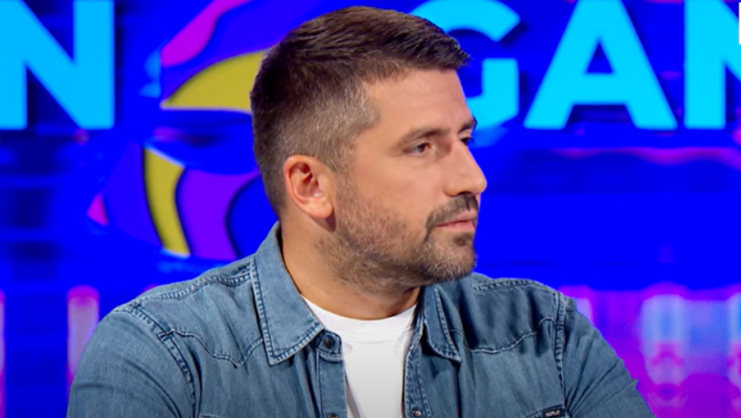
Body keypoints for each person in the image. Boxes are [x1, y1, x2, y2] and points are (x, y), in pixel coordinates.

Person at [67, 6, 655, 418]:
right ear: (311, 186)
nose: (472, 179)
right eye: (421, 147)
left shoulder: (544, 332)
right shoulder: (164, 354)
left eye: (464, 140)